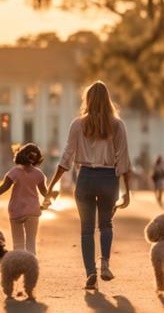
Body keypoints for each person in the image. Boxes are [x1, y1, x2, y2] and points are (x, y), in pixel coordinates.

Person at [46, 81, 131, 290]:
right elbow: (124, 160)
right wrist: (127, 191)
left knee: (86, 230)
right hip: (108, 178)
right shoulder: (117, 125)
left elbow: (67, 157)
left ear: (88, 100)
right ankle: (105, 265)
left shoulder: (78, 124)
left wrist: (52, 184)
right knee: (106, 225)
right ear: (107, 99)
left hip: (85, 177)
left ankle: (90, 272)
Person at [0, 143, 49, 255]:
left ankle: (17, 266)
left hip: (16, 211)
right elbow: (45, 193)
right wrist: (48, 201)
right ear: (37, 158)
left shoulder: (14, 173)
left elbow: (2, 189)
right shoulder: (39, 174)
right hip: (32, 212)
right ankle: (31, 269)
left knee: (18, 244)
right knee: (31, 244)